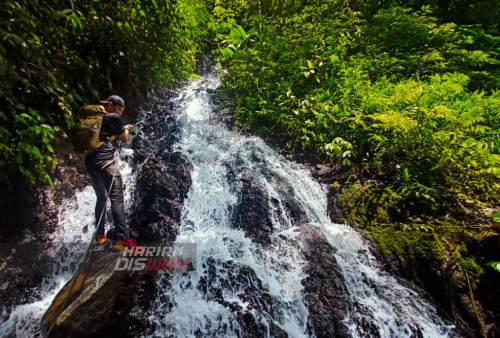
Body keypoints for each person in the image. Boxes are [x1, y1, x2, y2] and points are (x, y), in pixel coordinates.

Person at [85, 95, 138, 251]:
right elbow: (124, 138)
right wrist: (126, 129)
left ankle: (99, 236)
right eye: (119, 109)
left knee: (101, 197)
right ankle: (123, 240)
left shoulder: (97, 118)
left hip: (91, 163)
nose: (120, 113)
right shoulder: (112, 116)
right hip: (106, 163)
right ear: (110, 104)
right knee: (117, 199)